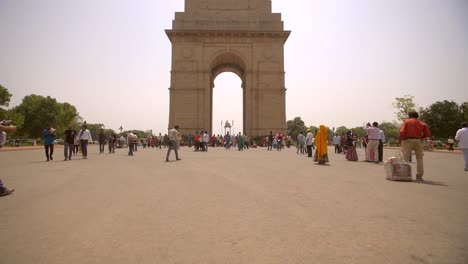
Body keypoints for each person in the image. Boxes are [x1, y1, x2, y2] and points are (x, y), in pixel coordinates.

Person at [398, 111, 432, 181]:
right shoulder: (422, 123)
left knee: (405, 158)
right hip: (418, 140)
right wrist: (422, 137)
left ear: (410, 116)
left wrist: (400, 139)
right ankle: (419, 176)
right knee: (419, 158)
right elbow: (428, 134)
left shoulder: (407, 122)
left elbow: (402, 132)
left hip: (408, 140)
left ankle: (405, 175)